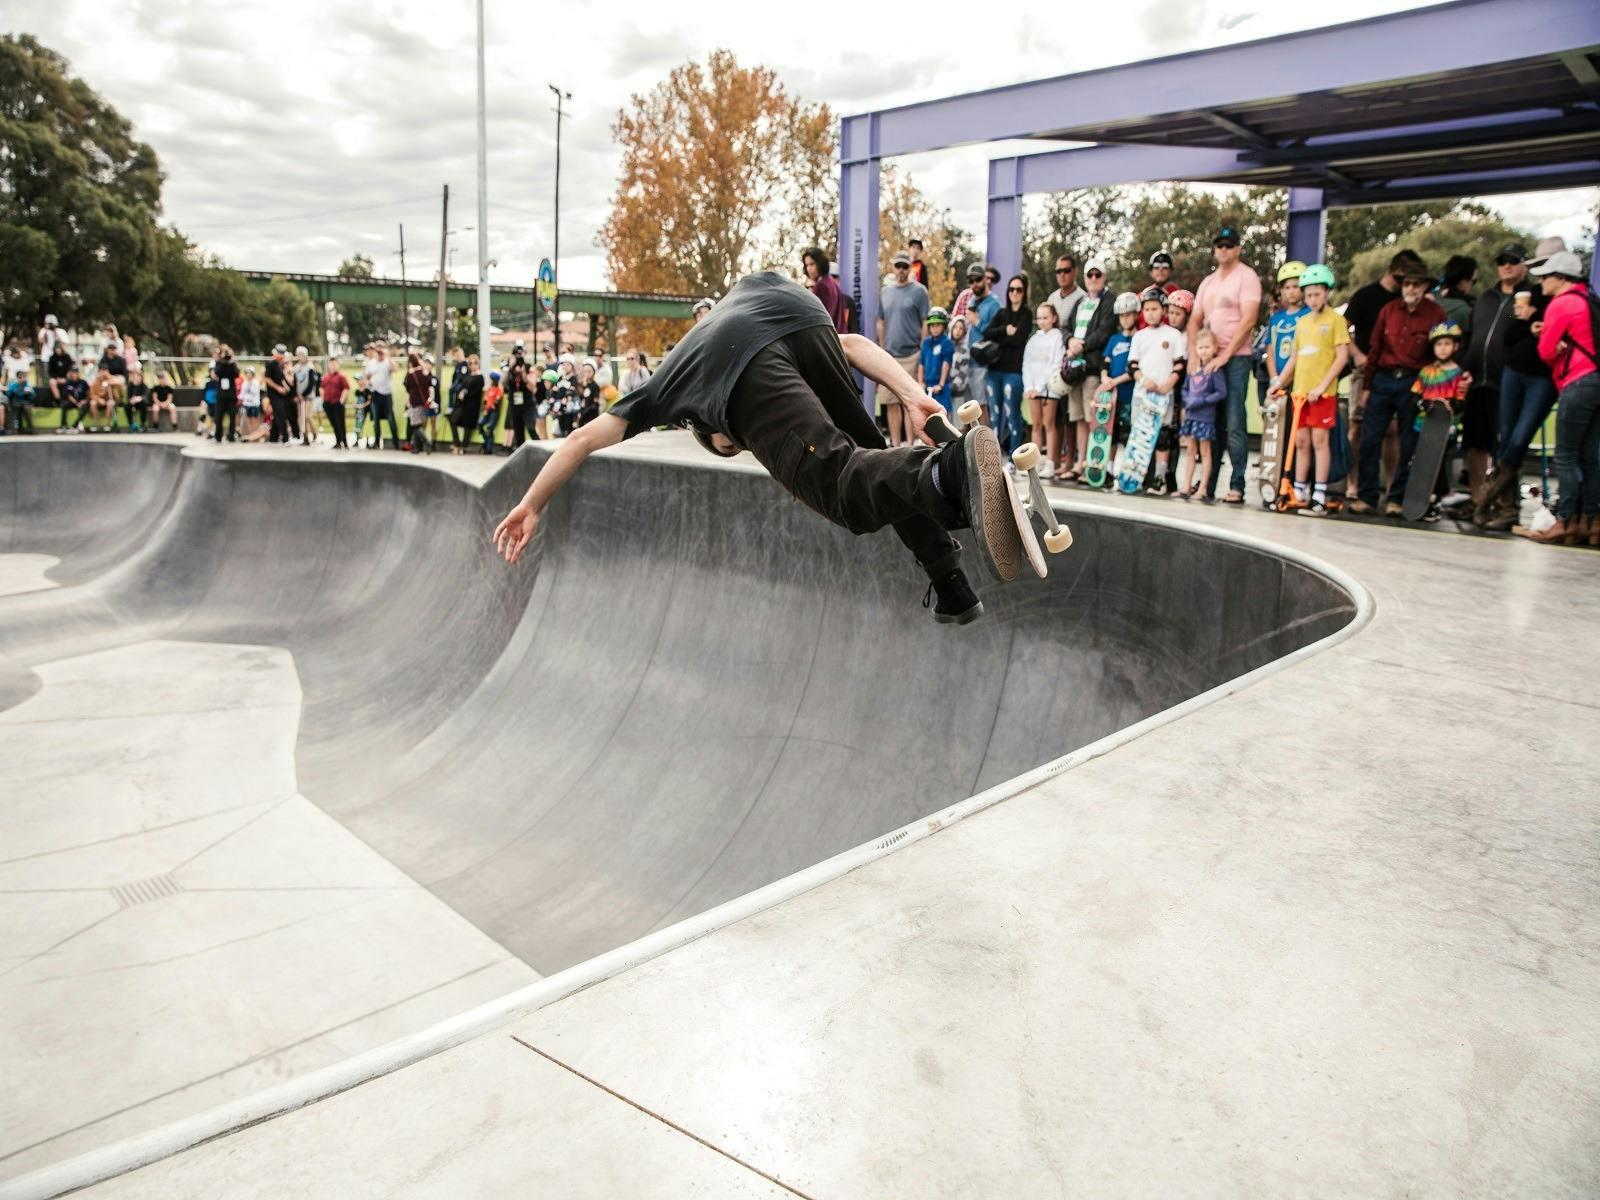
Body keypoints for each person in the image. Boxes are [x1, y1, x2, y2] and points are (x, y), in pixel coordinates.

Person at [492, 270, 1034, 626]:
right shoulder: (721, 318)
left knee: (840, 485)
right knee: (870, 454)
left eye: (739, 446)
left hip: (750, 358)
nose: (753, 449)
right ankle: (951, 583)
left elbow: (584, 437)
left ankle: (950, 475)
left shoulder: (671, 391)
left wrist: (532, 504)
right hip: (798, 310)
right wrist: (913, 396)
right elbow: (852, 344)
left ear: (712, 431)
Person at [1351, 261, 1447, 515]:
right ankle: (1367, 496)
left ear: (1425, 286)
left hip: (1414, 380)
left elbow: (1440, 352)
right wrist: (1367, 387)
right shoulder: (1389, 310)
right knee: (1370, 440)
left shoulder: (1435, 314)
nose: (1411, 288)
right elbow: (1375, 350)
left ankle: (1397, 498)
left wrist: (1433, 385)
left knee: (1408, 441)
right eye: (1406, 283)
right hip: (1383, 378)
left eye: (1416, 284)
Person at [1519, 250, 1598, 545]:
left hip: (1577, 381)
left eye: (1546, 277)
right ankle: (1592, 523)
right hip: (1596, 379)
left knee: (1565, 455)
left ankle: (1564, 520)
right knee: (1590, 456)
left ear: (1561, 278)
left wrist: (1545, 336)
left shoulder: (1561, 303)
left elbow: (1546, 352)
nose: (1541, 283)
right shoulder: (1588, 301)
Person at [1473, 276, 1557, 530]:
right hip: (1515, 370)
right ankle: (1507, 509)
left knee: (1520, 440)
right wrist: (1528, 322)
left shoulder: (1563, 301)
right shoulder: (1527, 295)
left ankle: (1486, 494)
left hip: (1544, 377)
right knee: (1506, 437)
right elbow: (1507, 334)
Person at [1266, 263, 1348, 517]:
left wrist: (1323, 386)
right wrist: (1279, 382)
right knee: (1300, 441)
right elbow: (1295, 356)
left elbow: (1342, 357)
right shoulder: (1302, 323)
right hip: (1299, 392)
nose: (1313, 299)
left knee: (1319, 441)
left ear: (1327, 293)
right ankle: (1299, 489)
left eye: (1317, 294)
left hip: (1322, 394)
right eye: (1309, 294)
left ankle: (1320, 493)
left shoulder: (1336, 320)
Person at [1189, 225, 1263, 503]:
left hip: (1236, 359)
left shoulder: (1247, 277)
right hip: (1208, 362)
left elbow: (1249, 320)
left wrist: (1225, 355)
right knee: (1210, 424)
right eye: (1219, 245)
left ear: (1238, 249)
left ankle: (1237, 484)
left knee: (1234, 422)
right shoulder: (1208, 282)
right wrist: (1195, 356)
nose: (1223, 250)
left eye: (1228, 246)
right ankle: (1208, 484)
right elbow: (1195, 320)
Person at [1345, 249, 1426, 498]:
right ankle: (1353, 483)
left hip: (1395, 374)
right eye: (1406, 280)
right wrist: (1358, 355)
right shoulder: (1366, 296)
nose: (1409, 286)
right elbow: (1342, 329)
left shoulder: (1410, 305)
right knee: (1358, 428)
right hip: (1366, 371)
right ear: (1395, 273)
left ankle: (1391, 484)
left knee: (1392, 432)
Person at [1461, 243, 1530, 496]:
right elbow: (1470, 336)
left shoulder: (1530, 296)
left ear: (1525, 264)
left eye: (1513, 260)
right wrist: (1464, 368)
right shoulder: (1486, 298)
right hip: (1478, 381)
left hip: (1510, 381)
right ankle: (1478, 497)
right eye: (1502, 261)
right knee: (1475, 442)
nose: (1507, 266)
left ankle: (1502, 501)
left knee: (1507, 443)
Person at [1404, 323, 1473, 521]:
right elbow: (1414, 395)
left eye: (1447, 344)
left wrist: (1454, 404)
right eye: (1439, 344)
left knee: (1439, 466)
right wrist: (1422, 404)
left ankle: (1435, 499)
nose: (1443, 348)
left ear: (1456, 346)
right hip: (1423, 427)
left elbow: (1461, 402)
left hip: (1445, 431)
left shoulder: (1460, 374)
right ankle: (1419, 498)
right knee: (1420, 464)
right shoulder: (1426, 372)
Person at [1059, 260, 1117, 480]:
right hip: (1075, 369)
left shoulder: (1109, 301)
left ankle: (1094, 466)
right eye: (1089, 275)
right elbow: (1065, 326)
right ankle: (1080, 464)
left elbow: (1105, 331)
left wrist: (1081, 345)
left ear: (1104, 277)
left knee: (1095, 419)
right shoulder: (1081, 301)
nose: (1093, 278)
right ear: (1085, 278)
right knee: (1079, 418)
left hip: (1093, 368)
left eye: (1097, 274)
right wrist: (1071, 340)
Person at [1129, 287, 1185, 494]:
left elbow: (1180, 365)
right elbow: (1132, 365)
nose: (1151, 313)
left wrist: (1170, 382)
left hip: (1163, 396)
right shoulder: (1139, 336)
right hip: (1142, 394)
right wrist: (1143, 379)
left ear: (1163, 310)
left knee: (1163, 437)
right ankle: (1136, 476)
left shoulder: (1173, 335)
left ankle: (1160, 478)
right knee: (1139, 435)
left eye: (1155, 309)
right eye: (1147, 309)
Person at [877, 249, 930, 448]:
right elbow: (880, 321)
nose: (900, 270)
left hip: (912, 354)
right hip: (889, 355)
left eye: (904, 266)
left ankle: (910, 445)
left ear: (910, 268)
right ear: (893, 267)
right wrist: (881, 349)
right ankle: (896, 446)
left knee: (910, 402)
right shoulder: (885, 291)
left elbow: (925, 322)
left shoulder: (919, 291)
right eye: (897, 266)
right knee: (891, 402)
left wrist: (922, 348)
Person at [982, 274, 1033, 454]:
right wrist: (1005, 330)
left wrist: (1001, 337)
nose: (1015, 293)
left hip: (1014, 372)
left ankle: (1013, 456)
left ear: (1024, 292)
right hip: (994, 371)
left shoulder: (1027, 314)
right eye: (1011, 289)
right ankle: (993, 456)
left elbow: (1018, 340)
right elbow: (986, 333)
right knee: (994, 416)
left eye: (1019, 289)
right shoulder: (1002, 313)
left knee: (1013, 416)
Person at [1179, 330, 1227, 501]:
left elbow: (1221, 392)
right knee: (1190, 450)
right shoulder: (1193, 369)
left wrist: (1202, 401)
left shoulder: (1214, 371)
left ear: (1214, 349)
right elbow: (1185, 388)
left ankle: (1203, 488)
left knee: (1205, 452)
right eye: (1200, 347)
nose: (1204, 351)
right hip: (1191, 417)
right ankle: (1186, 485)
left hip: (1205, 418)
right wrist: (1187, 401)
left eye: (1207, 347)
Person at [1099, 293, 1141, 479]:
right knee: (1112, 433)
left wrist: (1114, 381)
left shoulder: (1138, 339)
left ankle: (1129, 470)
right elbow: (1105, 362)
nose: (1125, 319)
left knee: (1128, 434)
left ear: (1136, 315)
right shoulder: (1114, 339)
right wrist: (1104, 377)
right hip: (1111, 396)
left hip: (1128, 394)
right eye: (1122, 315)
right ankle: (1108, 468)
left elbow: (1134, 369)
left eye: (1129, 314)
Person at [1022, 302, 1065, 476]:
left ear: (1054, 318)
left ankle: (1051, 463)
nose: (1042, 321)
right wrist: (1029, 387)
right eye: (1039, 318)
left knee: (1049, 425)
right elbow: (1027, 364)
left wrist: (1040, 387)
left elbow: (1055, 363)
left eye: (1045, 317)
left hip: (1049, 389)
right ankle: (1035, 462)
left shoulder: (1057, 337)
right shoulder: (1034, 339)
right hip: (1033, 390)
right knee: (1036, 425)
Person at [917, 308, 955, 415]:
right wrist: (920, 383)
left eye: (938, 325)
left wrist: (941, 385)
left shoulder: (947, 342)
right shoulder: (926, 342)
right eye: (932, 325)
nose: (935, 328)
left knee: (942, 416)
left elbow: (946, 365)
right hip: (927, 386)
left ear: (944, 326)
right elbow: (921, 364)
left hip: (940, 387)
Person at [803, 247, 847, 334]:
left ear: (820, 263)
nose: (809, 269)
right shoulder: (832, 282)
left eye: (812, 264)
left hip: (827, 339)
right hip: (837, 338)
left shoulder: (822, 285)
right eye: (807, 265)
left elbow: (819, 320)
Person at [366, 344, 399, 449]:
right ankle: (376, 442)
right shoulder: (371, 363)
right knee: (376, 420)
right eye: (378, 351)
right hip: (375, 394)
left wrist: (388, 356)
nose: (379, 354)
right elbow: (367, 376)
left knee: (390, 418)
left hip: (386, 394)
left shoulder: (387, 362)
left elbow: (395, 369)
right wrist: (369, 384)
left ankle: (396, 442)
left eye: (381, 352)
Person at [448, 354, 483, 453]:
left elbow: (475, 393)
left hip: (472, 405)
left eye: (474, 363)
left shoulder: (480, 377)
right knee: (452, 420)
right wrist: (461, 393)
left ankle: (463, 447)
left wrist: (465, 394)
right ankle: (457, 444)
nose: (472, 365)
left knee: (467, 426)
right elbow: (462, 387)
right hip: (462, 404)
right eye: (470, 363)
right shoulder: (468, 376)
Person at [264, 345, 296, 443]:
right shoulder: (271, 364)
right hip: (274, 394)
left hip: (281, 394)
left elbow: (281, 379)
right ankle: (285, 437)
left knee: (277, 415)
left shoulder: (280, 365)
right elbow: (267, 379)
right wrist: (278, 388)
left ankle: (274, 437)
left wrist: (285, 387)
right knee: (281, 414)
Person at [1436, 256, 1477, 333]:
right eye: (1474, 281)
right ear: (1464, 281)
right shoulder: (1465, 310)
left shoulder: (1430, 299)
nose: (1472, 285)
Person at [1139, 252, 1179, 327]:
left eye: (1165, 267)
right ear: (1151, 272)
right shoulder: (1143, 295)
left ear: (1171, 271)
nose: (1160, 270)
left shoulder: (1178, 295)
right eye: (1156, 267)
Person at [321, 356, 350, 449]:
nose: (332, 366)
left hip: (337, 403)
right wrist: (323, 399)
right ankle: (338, 441)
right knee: (333, 423)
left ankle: (344, 442)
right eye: (331, 364)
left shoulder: (341, 377)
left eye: (334, 364)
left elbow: (346, 388)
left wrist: (341, 400)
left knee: (340, 423)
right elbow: (321, 387)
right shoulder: (326, 377)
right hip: (328, 402)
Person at [213, 347, 241, 443]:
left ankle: (231, 436)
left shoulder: (232, 363)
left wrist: (232, 361)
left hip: (231, 395)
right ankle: (218, 436)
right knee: (219, 417)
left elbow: (237, 373)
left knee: (232, 417)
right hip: (221, 395)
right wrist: (222, 361)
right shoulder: (219, 363)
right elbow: (217, 372)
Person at [294, 346, 320, 445]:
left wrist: (303, 394)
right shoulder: (296, 367)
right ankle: (305, 437)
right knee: (301, 417)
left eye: (302, 355)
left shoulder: (310, 367)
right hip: (299, 395)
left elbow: (311, 383)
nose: (301, 357)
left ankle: (314, 433)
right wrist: (297, 394)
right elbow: (295, 382)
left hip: (308, 395)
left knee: (307, 416)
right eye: (299, 355)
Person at [948, 315, 972, 417]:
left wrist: (952, 387)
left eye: (961, 328)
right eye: (956, 327)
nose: (958, 331)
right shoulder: (946, 346)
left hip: (958, 391)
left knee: (958, 424)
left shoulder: (964, 350)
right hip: (944, 390)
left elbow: (963, 372)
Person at [86, 361, 117, 432]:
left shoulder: (111, 379)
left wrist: (108, 378)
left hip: (109, 400)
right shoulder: (95, 381)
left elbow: (118, 383)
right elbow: (92, 394)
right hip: (99, 401)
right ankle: (96, 425)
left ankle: (107, 425)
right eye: (102, 371)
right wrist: (99, 399)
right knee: (92, 403)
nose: (103, 373)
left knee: (110, 403)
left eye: (105, 371)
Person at [477, 370, 503, 454]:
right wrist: (484, 409)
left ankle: (489, 448)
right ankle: (486, 442)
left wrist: (489, 409)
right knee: (480, 424)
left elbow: (497, 401)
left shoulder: (498, 389)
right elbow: (485, 400)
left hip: (493, 411)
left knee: (489, 428)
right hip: (487, 411)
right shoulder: (489, 389)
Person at [57, 365, 88, 432]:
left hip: (82, 401)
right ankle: (63, 425)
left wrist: (84, 401)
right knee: (64, 405)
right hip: (73, 401)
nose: (74, 374)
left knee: (86, 407)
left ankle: (75, 425)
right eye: (72, 372)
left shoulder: (83, 382)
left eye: (75, 372)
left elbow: (88, 393)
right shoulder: (68, 382)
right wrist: (76, 403)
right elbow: (68, 395)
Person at [239, 366, 264, 441]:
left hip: (254, 404)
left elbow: (255, 393)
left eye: (250, 373)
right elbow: (242, 394)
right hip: (247, 404)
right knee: (249, 420)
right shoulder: (244, 383)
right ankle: (251, 436)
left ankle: (256, 436)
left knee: (255, 420)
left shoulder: (255, 383)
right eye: (247, 373)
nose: (248, 375)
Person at [123, 367, 150, 432]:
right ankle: (131, 424)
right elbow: (129, 397)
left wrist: (139, 398)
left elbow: (145, 396)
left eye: (138, 376)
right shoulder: (130, 386)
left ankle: (142, 424)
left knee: (144, 404)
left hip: (141, 403)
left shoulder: (144, 386)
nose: (136, 378)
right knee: (127, 407)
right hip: (133, 403)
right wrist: (131, 400)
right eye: (135, 376)